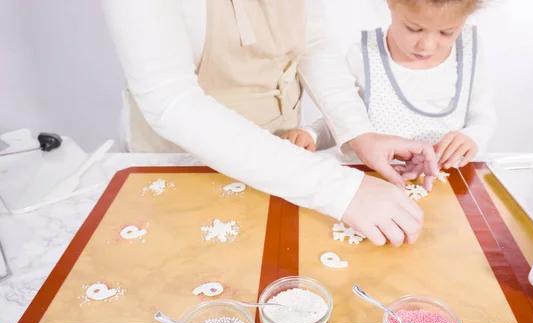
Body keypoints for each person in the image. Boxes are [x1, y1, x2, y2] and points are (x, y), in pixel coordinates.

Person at [101, 0, 439, 247]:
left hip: (284, 158)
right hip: (181, 159)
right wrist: (341, 190)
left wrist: (358, 132)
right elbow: (172, 101)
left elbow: (314, 41)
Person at [283, 0, 496, 171]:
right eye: (414, 28)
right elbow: (345, 118)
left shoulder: (469, 50)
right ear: (391, 3)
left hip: (444, 183)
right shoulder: (365, 56)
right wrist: (312, 135)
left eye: (446, 33)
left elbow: (482, 117)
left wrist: (472, 138)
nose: (427, 45)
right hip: (372, 184)